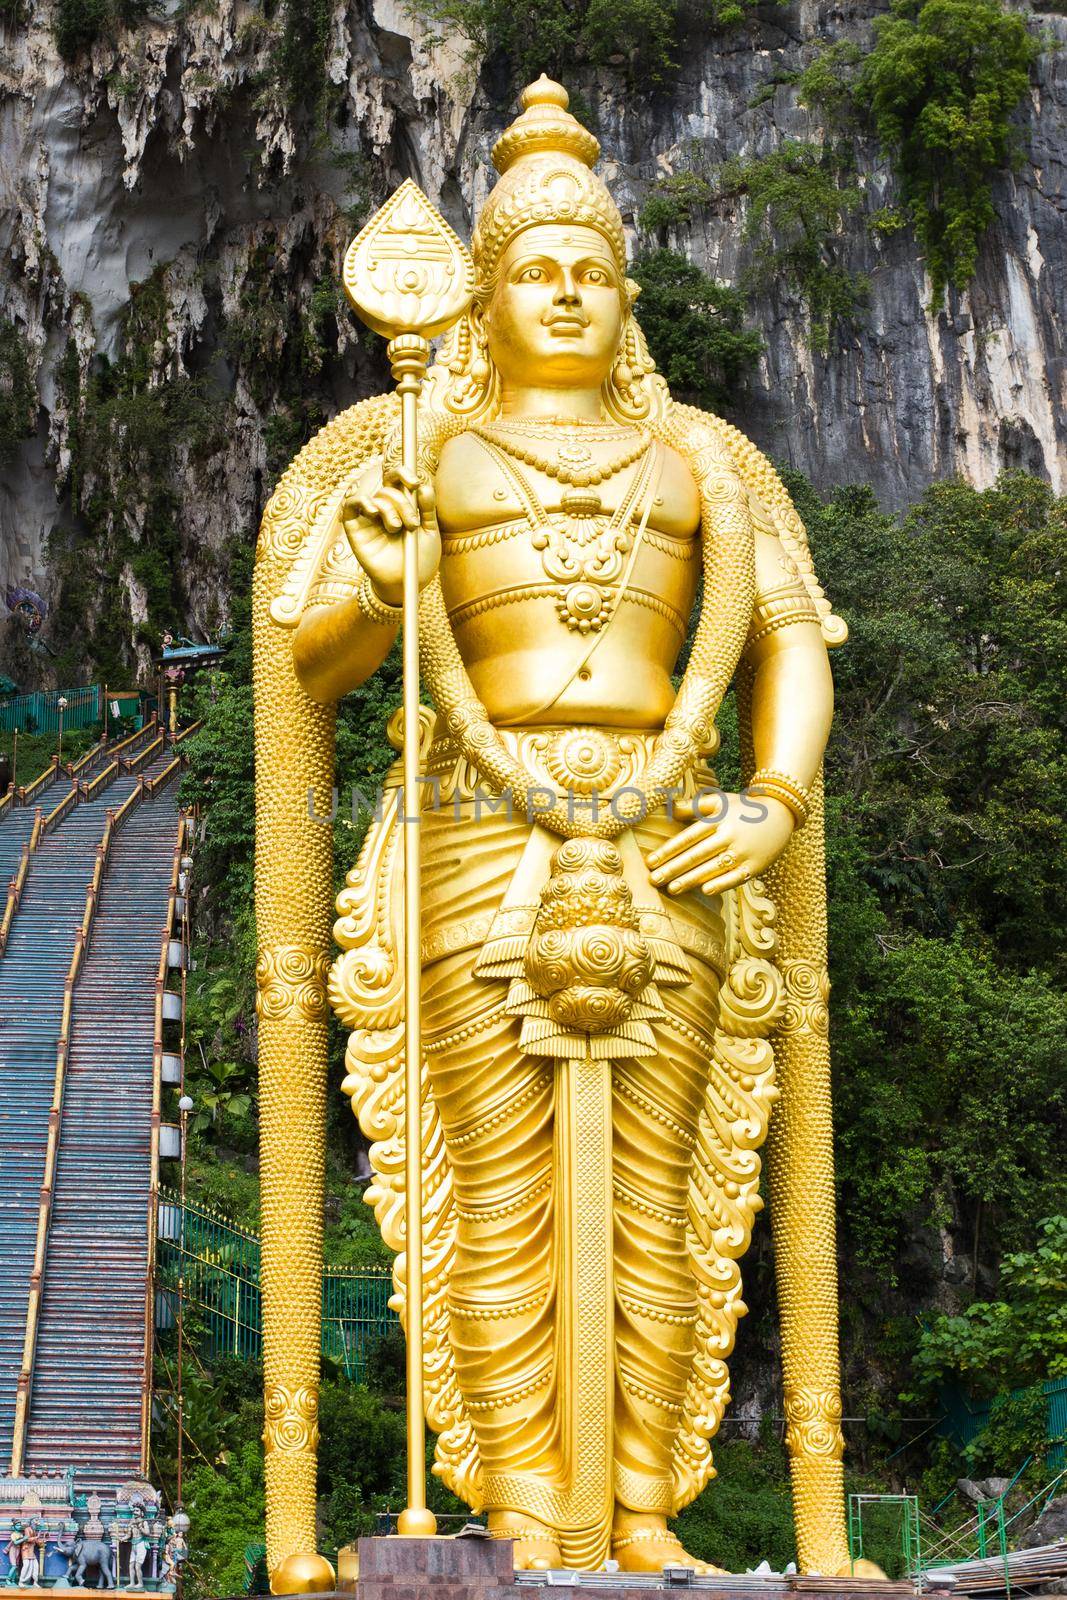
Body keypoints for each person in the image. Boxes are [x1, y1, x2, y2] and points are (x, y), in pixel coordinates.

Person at [255, 76, 856, 1578]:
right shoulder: (417, 451)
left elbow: (790, 645)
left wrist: (771, 798)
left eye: (592, 269)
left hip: (675, 836)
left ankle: (645, 1508)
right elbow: (310, 663)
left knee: (665, 1195)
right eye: (536, 268)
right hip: (473, 825)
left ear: (627, 292)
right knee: (497, 1185)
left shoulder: (706, 465)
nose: (567, 293)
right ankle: (526, 1507)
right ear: (483, 291)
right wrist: (385, 574)